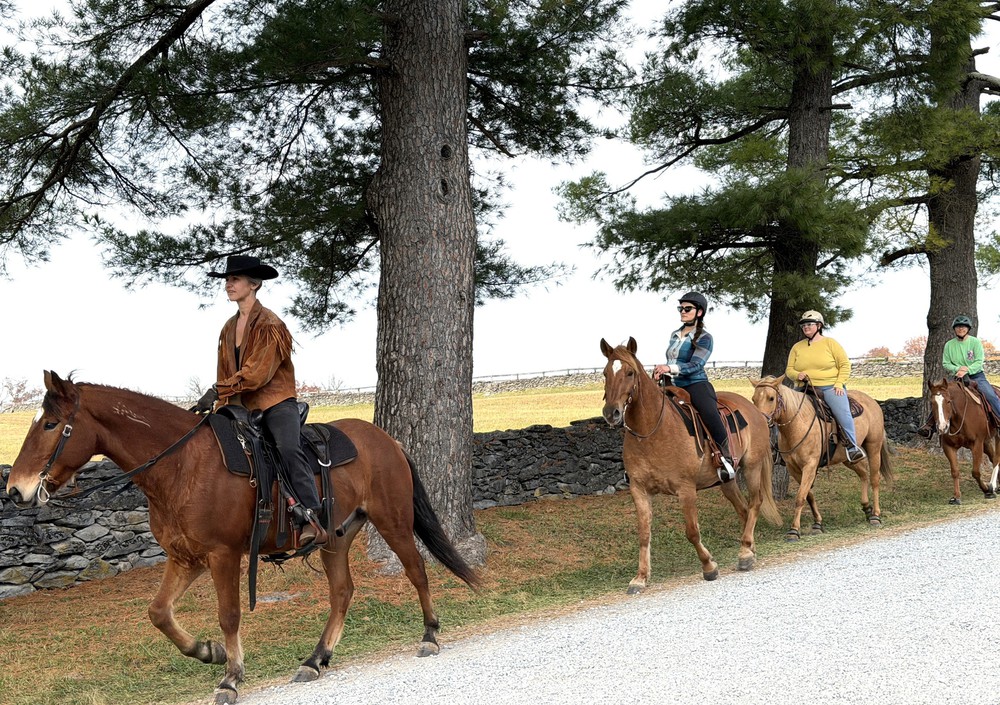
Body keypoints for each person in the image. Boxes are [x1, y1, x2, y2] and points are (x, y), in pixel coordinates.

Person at [191, 255, 328, 548]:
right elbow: (225, 372)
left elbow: (258, 374)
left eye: (234, 279)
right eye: (227, 280)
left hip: (275, 402)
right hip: (240, 405)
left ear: (253, 285)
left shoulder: (270, 324)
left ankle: (310, 515)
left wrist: (217, 389)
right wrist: (218, 404)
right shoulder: (228, 327)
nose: (228, 284)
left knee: (287, 448)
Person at [653, 292, 737, 483]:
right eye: (680, 308)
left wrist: (670, 368)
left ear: (699, 312)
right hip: (671, 385)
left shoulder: (705, 337)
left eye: (687, 308)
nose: (682, 311)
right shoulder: (674, 334)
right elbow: (672, 360)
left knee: (709, 412)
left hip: (695, 384)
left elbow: (696, 365)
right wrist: (661, 371)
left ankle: (726, 457)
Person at [785, 310, 866, 463]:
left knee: (843, 413)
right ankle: (778, 449)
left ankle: (852, 447)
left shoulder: (831, 343)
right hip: (804, 388)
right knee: (783, 410)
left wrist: (838, 383)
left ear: (819, 325)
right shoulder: (797, 347)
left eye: (809, 324)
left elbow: (844, 365)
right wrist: (797, 375)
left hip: (829, 387)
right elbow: (789, 370)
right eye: (803, 325)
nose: (805, 327)